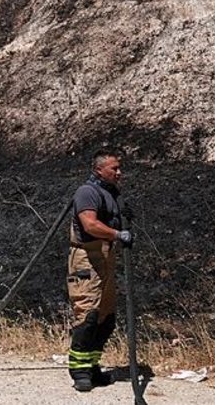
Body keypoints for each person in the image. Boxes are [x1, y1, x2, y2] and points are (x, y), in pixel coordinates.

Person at [66, 148, 133, 392]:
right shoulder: (87, 192)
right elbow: (90, 224)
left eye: (119, 167)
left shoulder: (110, 193)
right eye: (114, 168)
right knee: (88, 315)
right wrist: (118, 233)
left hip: (106, 256)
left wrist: (124, 219)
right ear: (99, 170)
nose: (119, 172)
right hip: (86, 258)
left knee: (106, 318)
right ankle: (79, 371)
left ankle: (92, 367)